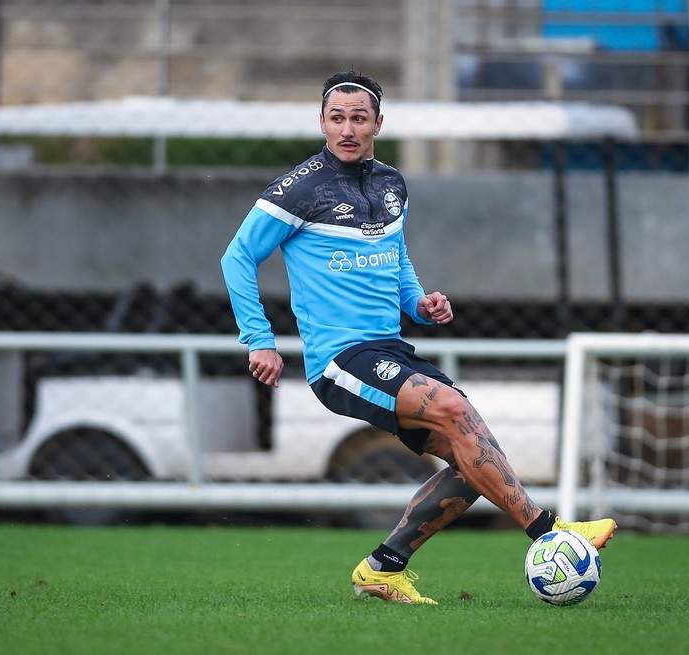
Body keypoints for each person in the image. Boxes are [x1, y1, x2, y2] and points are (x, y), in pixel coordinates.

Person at [220, 70, 615, 604]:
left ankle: (384, 567)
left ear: (378, 123)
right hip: (340, 360)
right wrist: (258, 338)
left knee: (470, 455)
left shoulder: (390, 184)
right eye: (337, 118)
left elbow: (396, 258)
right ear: (321, 123)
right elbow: (237, 256)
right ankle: (551, 533)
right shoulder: (300, 188)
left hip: (389, 350)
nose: (348, 128)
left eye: (359, 118)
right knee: (454, 410)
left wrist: (420, 302)